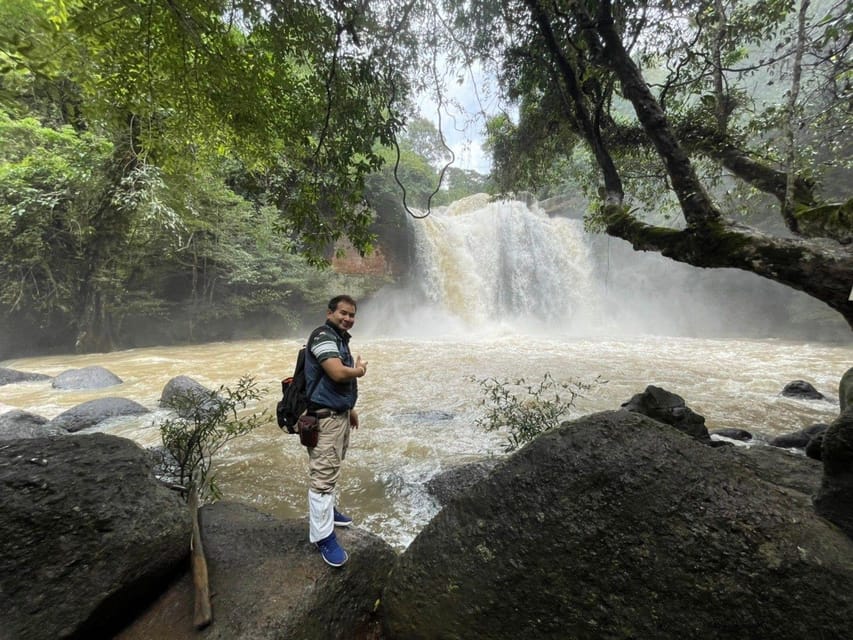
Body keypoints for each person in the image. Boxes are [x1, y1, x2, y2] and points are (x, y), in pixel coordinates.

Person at [303, 294, 367, 567]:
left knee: (331, 467)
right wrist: (360, 371)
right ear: (330, 313)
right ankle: (323, 537)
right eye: (343, 313)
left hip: (337, 415)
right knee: (322, 476)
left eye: (352, 315)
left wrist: (349, 408)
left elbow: (336, 385)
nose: (348, 318)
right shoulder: (322, 336)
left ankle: (328, 511)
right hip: (324, 419)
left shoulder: (339, 338)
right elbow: (338, 374)